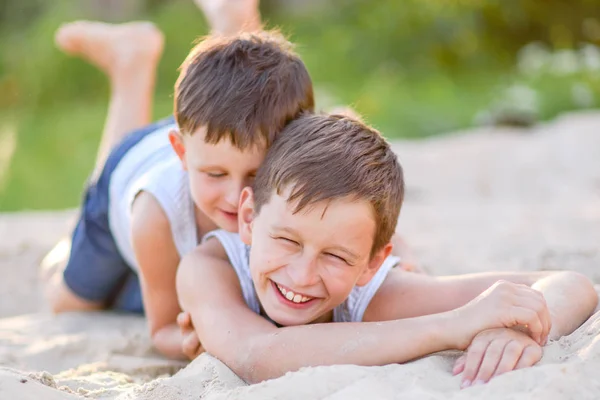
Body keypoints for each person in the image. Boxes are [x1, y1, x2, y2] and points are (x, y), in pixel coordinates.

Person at [176, 113, 598, 387]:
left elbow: (573, 285)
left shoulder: (376, 292)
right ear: (248, 218)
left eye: (336, 256)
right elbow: (257, 355)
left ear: (372, 263)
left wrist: (520, 330)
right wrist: (453, 326)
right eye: (287, 240)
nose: (303, 275)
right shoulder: (207, 268)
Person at [44, 27, 315, 362]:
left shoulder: (272, 156)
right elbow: (162, 330)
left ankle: (221, 23)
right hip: (126, 177)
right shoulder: (154, 215)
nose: (235, 197)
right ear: (182, 153)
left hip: (213, 135)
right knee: (70, 302)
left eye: (256, 176)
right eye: (215, 176)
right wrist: (189, 340)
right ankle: (132, 66)